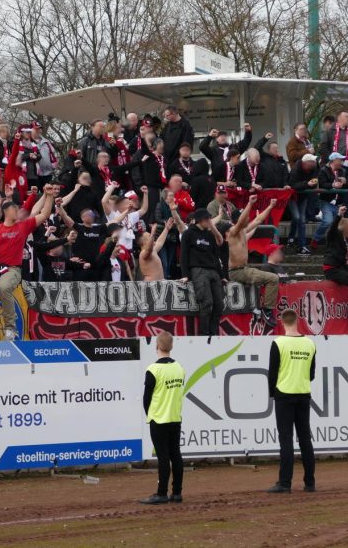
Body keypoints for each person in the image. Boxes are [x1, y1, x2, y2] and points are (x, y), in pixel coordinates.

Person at [0, 184, 56, 340]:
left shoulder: (23, 226)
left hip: (13, 270)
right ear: (5, 212)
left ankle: (10, 328)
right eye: (14, 209)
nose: (17, 211)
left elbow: (45, 214)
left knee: (4, 287)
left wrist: (49, 196)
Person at [266, 309, 316, 494]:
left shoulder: (278, 343)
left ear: (282, 321)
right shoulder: (310, 344)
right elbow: (311, 374)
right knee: (305, 439)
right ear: (297, 321)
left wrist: (273, 393)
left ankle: (285, 483)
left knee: (286, 439)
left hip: (284, 394)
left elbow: (272, 373)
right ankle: (310, 482)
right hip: (303, 393)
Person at [139, 331, 185, 505]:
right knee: (176, 454)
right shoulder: (179, 368)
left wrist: (150, 415)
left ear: (157, 346)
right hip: (175, 417)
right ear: (171, 347)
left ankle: (162, 493)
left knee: (163, 457)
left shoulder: (153, 369)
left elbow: (146, 398)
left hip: (159, 419)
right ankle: (177, 492)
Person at [225, 196, 280, 326]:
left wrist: (270, 207)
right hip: (237, 272)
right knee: (273, 278)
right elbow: (240, 222)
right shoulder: (233, 231)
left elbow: (258, 220)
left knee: (267, 277)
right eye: (245, 217)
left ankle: (256, 308)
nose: (248, 218)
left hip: (244, 270)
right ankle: (267, 310)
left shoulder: (243, 232)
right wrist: (249, 203)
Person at [179, 209, 225, 336]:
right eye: (207, 219)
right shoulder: (188, 234)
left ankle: (214, 333)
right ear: (200, 219)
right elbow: (184, 255)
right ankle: (204, 335)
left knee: (219, 304)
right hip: (198, 270)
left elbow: (216, 255)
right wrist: (185, 275)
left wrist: (222, 276)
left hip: (213, 271)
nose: (209, 221)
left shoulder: (210, 235)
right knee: (206, 302)